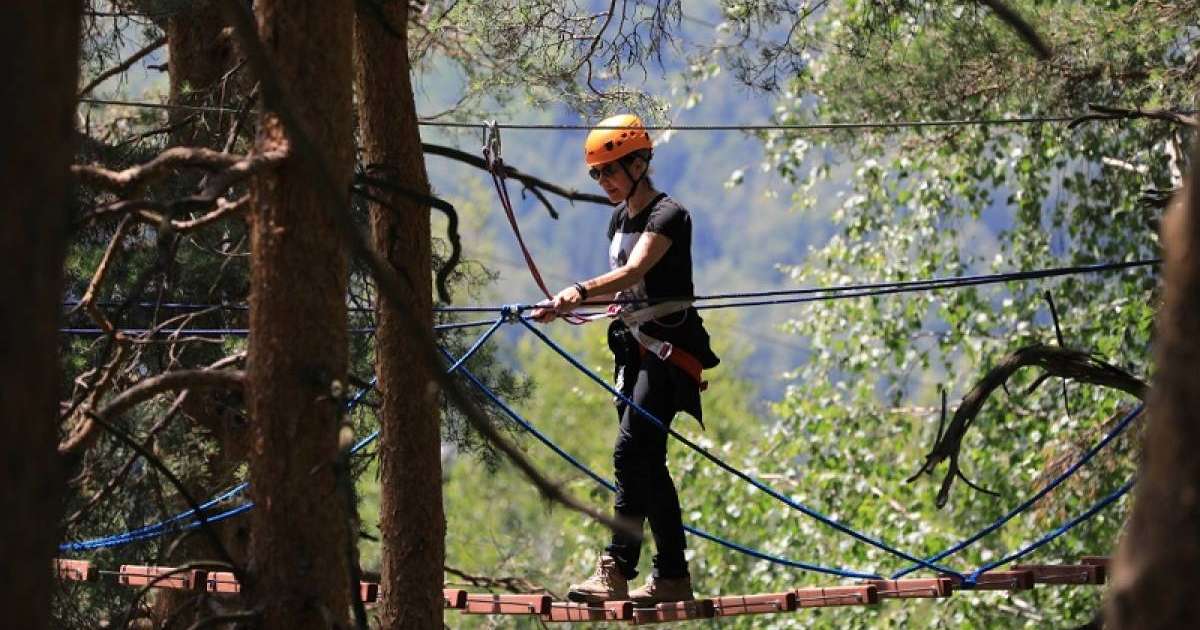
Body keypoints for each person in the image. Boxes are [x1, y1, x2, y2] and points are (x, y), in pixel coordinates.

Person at [532, 113, 720, 605]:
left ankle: (617, 568)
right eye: (597, 174)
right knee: (645, 463)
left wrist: (577, 291)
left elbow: (635, 270)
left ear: (640, 163)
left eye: (611, 170)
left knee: (629, 453)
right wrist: (568, 303)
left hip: (668, 351)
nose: (604, 182)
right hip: (634, 350)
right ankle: (673, 574)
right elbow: (624, 285)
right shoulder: (618, 219)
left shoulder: (668, 216)